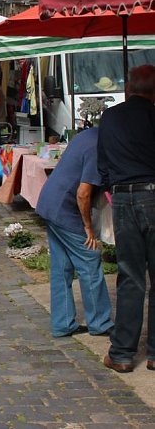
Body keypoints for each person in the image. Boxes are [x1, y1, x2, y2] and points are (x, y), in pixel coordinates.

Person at [97, 64, 155, 373]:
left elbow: (102, 163)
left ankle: (121, 353)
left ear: (129, 88)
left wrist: (113, 191)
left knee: (131, 277)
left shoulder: (111, 117)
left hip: (122, 197)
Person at [35, 127, 113, 338]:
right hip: (65, 209)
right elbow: (83, 193)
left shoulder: (88, 135)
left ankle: (63, 323)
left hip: (50, 203)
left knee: (62, 267)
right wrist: (88, 228)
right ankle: (100, 322)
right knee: (89, 259)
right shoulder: (99, 147)